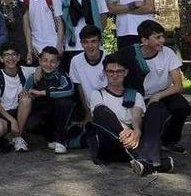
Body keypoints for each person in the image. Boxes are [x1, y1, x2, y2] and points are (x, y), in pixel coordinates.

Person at [86, 54, 174, 175]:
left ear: (125, 72)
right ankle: (151, 160)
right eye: (110, 71)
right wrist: (127, 130)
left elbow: (137, 114)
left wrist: (137, 131)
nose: (115, 75)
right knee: (101, 111)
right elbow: (101, 116)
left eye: (119, 71)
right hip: (111, 144)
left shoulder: (134, 94)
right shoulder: (97, 94)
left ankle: (145, 161)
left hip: (134, 141)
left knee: (156, 107)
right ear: (105, 72)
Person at [118, 20, 190, 154]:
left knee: (182, 106)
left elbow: (178, 86)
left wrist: (157, 96)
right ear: (145, 40)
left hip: (163, 94)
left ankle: (170, 141)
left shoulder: (168, 53)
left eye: (162, 36)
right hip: (139, 99)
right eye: (157, 37)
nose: (162, 40)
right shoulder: (129, 54)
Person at [16, 46, 75, 154]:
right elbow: (24, 93)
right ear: (40, 61)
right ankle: (23, 137)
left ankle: (60, 141)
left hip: (58, 114)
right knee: (31, 123)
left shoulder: (61, 76)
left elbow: (69, 89)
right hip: (42, 113)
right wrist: (28, 96)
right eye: (45, 60)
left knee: (65, 102)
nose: (48, 64)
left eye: (52, 62)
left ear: (57, 63)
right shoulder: (34, 76)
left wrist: (41, 92)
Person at [59, 0, 108, 69]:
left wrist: (97, 35)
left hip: (93, 45)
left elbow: (103, 16)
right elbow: (60, 22)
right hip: (72, 45)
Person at [21, 0, 64, 65]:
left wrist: (59, 45)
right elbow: (26, 27)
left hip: (53, 45)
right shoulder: (25, 0)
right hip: (37, 49)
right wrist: (30, 48)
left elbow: (60, 23)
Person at [68, 25, 107, 118]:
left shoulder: (109, 58)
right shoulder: (76, 61)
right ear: (81, 43)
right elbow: (80, 88)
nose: (90, 46)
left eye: (93, 41)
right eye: (86, 42)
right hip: (90, 107)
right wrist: (87, 113)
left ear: (99, 42)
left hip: (109, 106)